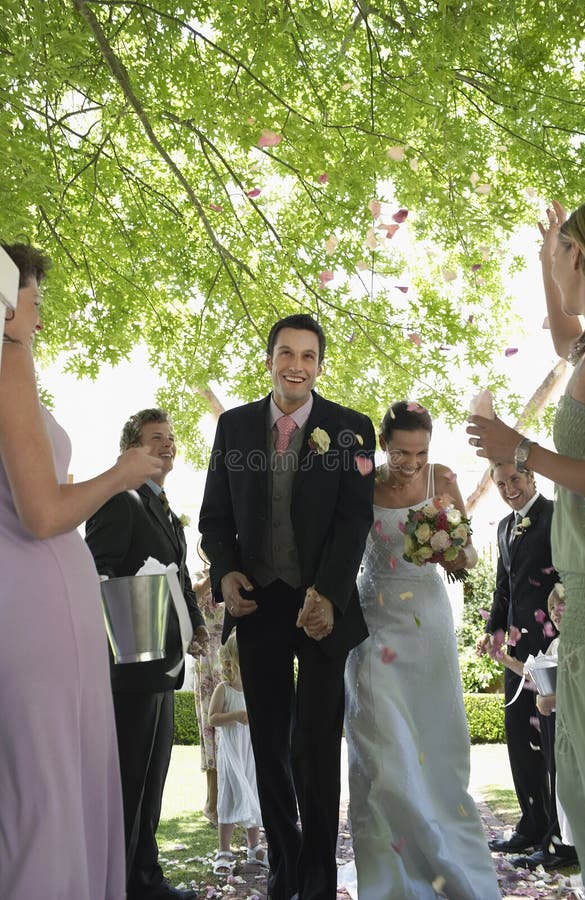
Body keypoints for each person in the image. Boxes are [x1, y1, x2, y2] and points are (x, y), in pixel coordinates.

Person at [0, 242, 163, 900]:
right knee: (49, 788)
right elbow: (43, 514)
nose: (39, 322)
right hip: (38, 607)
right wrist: (120, 474)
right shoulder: (10, 361)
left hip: (27, 603)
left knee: (32, 785)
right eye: (34, 304)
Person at [199, 313, 375, 900]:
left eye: (307, 355)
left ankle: (319, 877)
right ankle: (284, 867)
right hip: (259, 606)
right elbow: (214, 517)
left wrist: (327, 590)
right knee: (268, 741)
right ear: (270, 358)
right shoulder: (234, 426)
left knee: (316, 744)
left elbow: (355, 519)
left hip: (322, 606)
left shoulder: (351, 430)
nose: (295, 365)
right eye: (285, 353)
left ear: (320, 365)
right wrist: (225, 570)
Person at [467, 197, 585, 899]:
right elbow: (561, 336)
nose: (556, 260)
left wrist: (523, 450)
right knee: (582, 771)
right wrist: (545, 256)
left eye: (563, 252)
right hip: (583, 585)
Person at [344, 400, 500, 900]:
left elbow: (470, 556)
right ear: (384, 444)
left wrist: (449, 546)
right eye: (400, 451)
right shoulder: (363, 482)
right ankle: (391, 873)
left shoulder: (443, 479)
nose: (410, 462)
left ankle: (438, 862)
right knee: (379, 745)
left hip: (427, 622)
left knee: (434, 746)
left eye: (420, 451)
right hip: (375, 618)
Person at [85, 408, 208, 900]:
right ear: (130, 449)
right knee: (128, 783)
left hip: (164, 665)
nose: (168, 446)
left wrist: (196, 626)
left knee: (150, 781)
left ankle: (144, 878)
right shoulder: (120, 499)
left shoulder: (164, 507)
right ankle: (119, 883)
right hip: (130, 665)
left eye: (171, 439)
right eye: (156, 438)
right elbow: (96, 570)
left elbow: (178, 575)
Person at [476, 462, 558, 855]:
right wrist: (493, 631)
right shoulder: (505, 527)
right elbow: (502, 588)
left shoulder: (556, 516)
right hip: (515, 652)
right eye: (501, 483)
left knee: (553, 742)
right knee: (519, 739)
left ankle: (560, 836)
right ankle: (531, 823)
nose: (510, 488)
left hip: (552, 647)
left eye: (516, 480)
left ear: (532, 478)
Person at [493, 583, 577, 870]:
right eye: (552, 607)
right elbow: (530, 671)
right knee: (559, 781)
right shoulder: (555, 644)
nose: (555, 612)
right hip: (556, 727)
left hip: (575, 727)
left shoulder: (582, 645)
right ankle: (564, 842)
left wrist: (551, 699)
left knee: (572, 783)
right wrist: (504, 659)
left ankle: (569, 847)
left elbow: (584, 686)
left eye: (561, 605)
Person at [208, 630, 267, 875]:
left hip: (249, 751)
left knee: (252, 793)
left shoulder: (255, 687)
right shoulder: (224, 688)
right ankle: (224, 850)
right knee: (230, 796)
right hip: (232, 751)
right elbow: (213, 718)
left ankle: (254, 847)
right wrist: (236, 716)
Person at [192, 551, 224, 827]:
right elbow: (191, 597)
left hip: (230, 661)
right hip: (206, 663)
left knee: (234, 730)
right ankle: (212, 800)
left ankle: (236, 796)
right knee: (209, 730)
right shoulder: (200, 581)